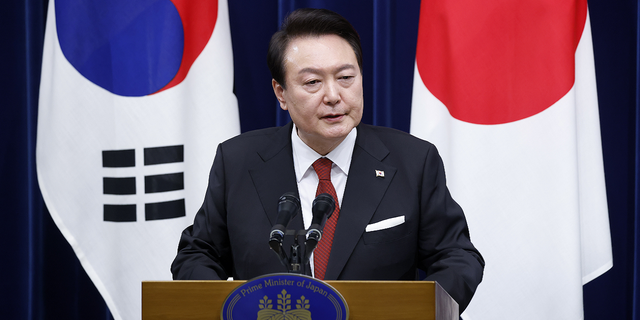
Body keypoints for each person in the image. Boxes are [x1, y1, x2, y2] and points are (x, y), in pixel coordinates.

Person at [171, 8, 484, 312]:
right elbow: (197, 254)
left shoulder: (413, 161)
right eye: (312, 83)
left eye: (346, 77)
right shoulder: (237, 161)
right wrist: (226, 309)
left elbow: (458, 258)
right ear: (280, 92)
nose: (333, 95)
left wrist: (420, 311)